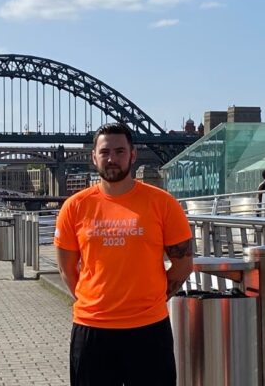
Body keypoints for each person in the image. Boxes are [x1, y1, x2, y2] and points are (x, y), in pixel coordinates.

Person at [54, 122, 194, 385]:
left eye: (119, 151)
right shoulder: (74, 207)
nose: (112, 159)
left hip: (149, 329)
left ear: (133, 154)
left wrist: (152, 299)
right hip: (92, 329)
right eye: (105, 152)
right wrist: (94, 301)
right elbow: (66, 269)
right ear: (93, 156)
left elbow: (183, 264)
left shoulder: (163, 203)